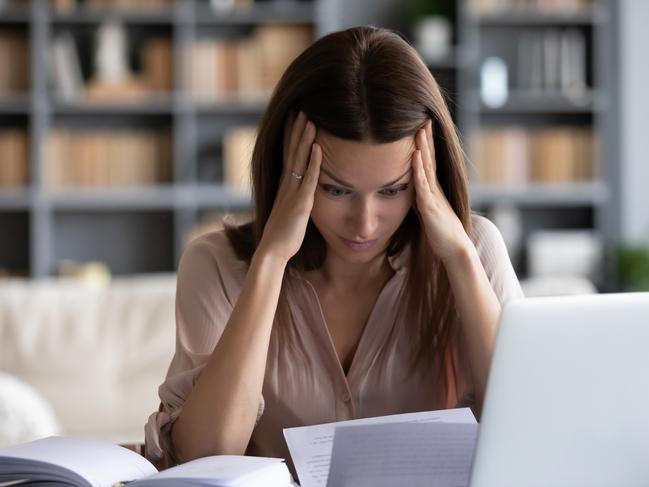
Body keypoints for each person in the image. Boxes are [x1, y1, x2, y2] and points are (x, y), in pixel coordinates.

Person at [144, 25, 523, 471]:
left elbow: (525, 433)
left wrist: (460, 259)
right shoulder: (215, 265)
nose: (365, 224)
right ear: (290, 169)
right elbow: (201, 459)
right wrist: (270, 261)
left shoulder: (473, 250)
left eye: (393, 190)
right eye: (336, 190)